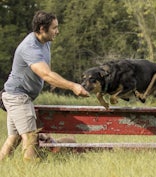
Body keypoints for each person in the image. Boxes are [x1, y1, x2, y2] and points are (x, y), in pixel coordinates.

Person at [0, 10, 89, 162]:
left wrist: (52, 82)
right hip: (18, 97)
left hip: (17, 95)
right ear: (42, 29)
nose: (57, 31)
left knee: (14, 138)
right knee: (30, 137)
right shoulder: (30, 47)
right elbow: (46, 74)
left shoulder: (45, 42)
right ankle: (30, 174)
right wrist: (73, 86)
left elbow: (46, 68)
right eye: (54, 28)